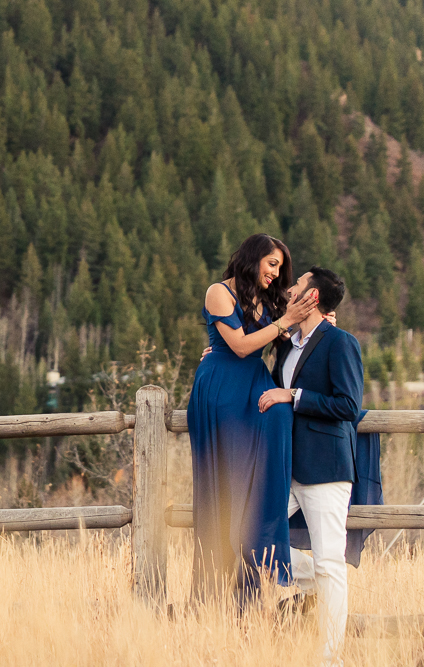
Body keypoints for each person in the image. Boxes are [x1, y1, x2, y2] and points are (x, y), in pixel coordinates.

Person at [187, 233, 318, 604]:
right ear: (252, 258)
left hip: (255, 385)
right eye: (272, 264)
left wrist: (312, 321)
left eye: (280, 267)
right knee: (225, 481)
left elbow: (285, 340)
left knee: (275, 427)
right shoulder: (219, 292)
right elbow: (243, 346)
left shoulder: (266, 300)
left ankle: (261, 545)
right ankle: (213, 594)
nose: (276, 273)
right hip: (222, 388)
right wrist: (285, 320)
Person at [259, 267, 364, 665]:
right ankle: (317, 579)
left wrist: (295, 395)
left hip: (326, 468)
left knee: (330, 559)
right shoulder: (285, 346)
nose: (288, 290)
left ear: (312, 297)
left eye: (297, 285)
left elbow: (348, 406)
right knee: (251, 542)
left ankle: (330, 656)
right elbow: (268, 388)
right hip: (284, 466)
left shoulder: (341, 343)